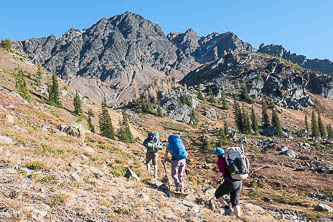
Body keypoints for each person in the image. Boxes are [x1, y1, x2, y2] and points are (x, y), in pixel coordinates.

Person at [212, 147, 243, 219]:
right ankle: (239, 218)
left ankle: (227, 208)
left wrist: (215, 180)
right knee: (235, 201)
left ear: (217, 154)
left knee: (217, 194)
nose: (214, 155)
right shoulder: (231, 159)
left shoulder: (221, 160)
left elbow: (221, 172)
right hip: (239, 181)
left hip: (230, 182)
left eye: (215, 154)